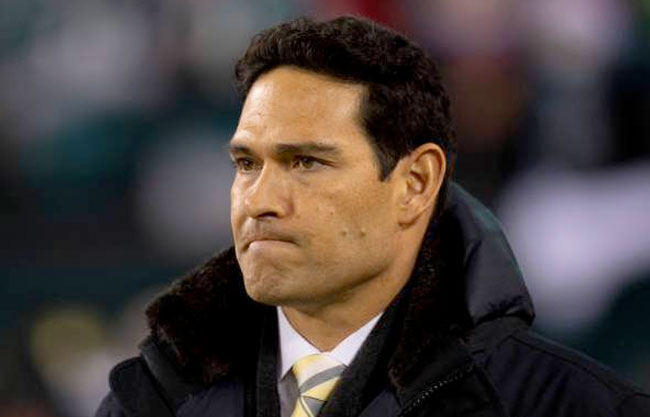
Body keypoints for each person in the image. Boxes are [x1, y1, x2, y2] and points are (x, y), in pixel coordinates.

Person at [96, 16, 650, 417]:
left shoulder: (570, 404)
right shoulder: (150, 397)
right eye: (247, 164)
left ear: (415, 184)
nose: (260, 200)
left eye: (307, 162)